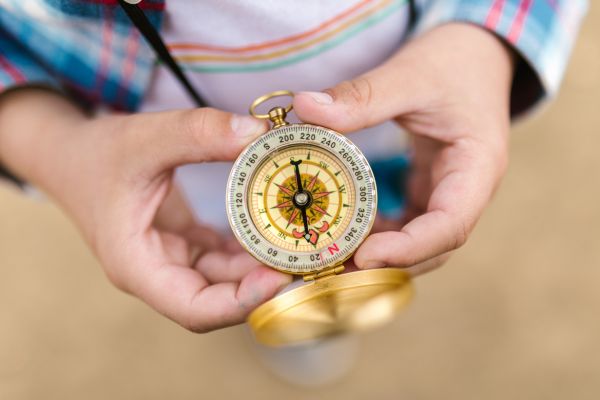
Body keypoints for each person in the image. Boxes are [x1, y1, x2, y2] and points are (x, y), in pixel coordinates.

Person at [0, 0, 587, 333]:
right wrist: (56, 147)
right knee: (242, 259)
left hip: (412, 113)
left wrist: (481, 38)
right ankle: (297, 302)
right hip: (183, 182)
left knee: (395, 202)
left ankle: (312, 286)